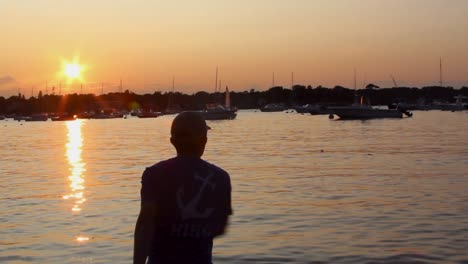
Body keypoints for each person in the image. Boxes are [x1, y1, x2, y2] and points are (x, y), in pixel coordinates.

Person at [134, 111, 232, 264]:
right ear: (204, 140)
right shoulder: (220, 177)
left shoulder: (154, 174)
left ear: (172, 141)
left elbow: (145, 223)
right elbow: (220, 227)